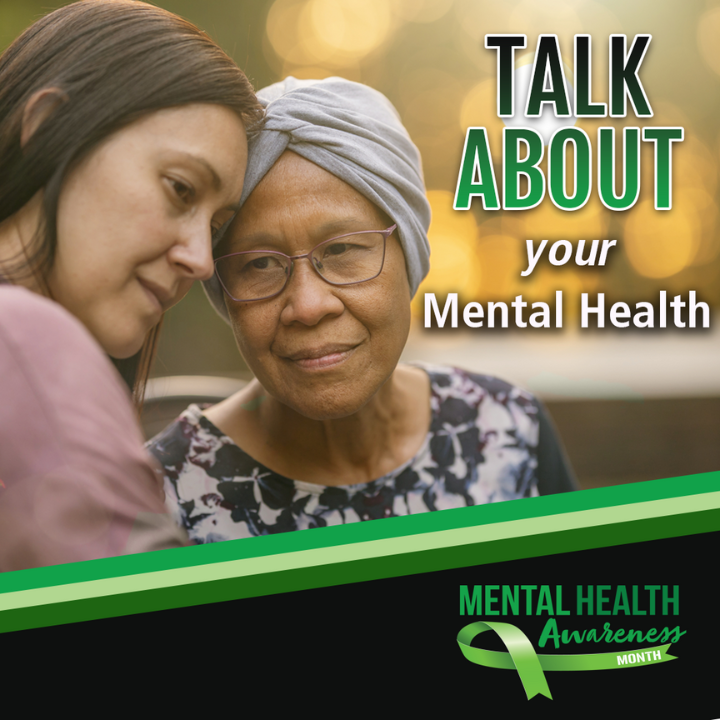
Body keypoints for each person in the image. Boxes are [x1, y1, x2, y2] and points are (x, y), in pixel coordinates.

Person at [147, 76, 578, 543]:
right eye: (261, 263)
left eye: (342, 250)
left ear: (409, 253)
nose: (309, 306)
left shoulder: (508, 429)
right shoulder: (158, 501)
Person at [0, 0, 263, 571]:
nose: (201, 261)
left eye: (216, 228)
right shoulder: (24, 337)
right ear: (46, 128)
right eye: (180, 189)